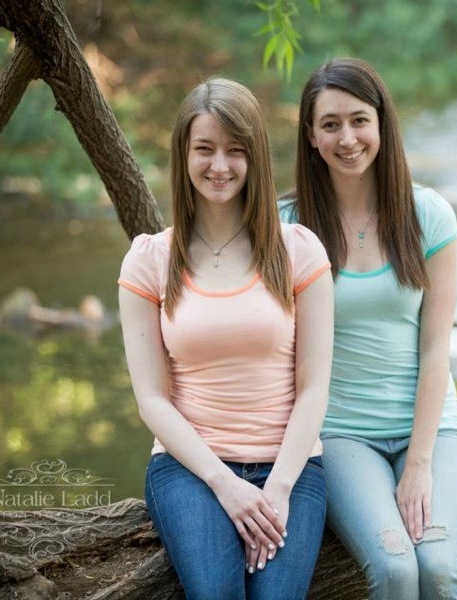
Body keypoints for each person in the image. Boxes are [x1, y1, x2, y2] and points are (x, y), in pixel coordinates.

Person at [118, 77, 334, 600]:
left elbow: (314, 387)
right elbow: (152, 399)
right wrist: (226, 485)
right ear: (183, 154)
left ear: (255, 157)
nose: (220, 165)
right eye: (205, 149)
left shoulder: (299, 251)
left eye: (235, 151)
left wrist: (277, 489)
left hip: (292, 467)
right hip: (189, 470)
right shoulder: (150, 260)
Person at [280, 57, 457, 600]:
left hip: (432, 428)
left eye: (360, 120)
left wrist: (419, 463)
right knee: (394, 568)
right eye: (331, 124)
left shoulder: (429, 215)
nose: (348, 138)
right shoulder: (287, 229)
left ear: (382, 124)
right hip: (341, 433)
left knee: (436, 566)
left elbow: (436, 351)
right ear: (312, 136)